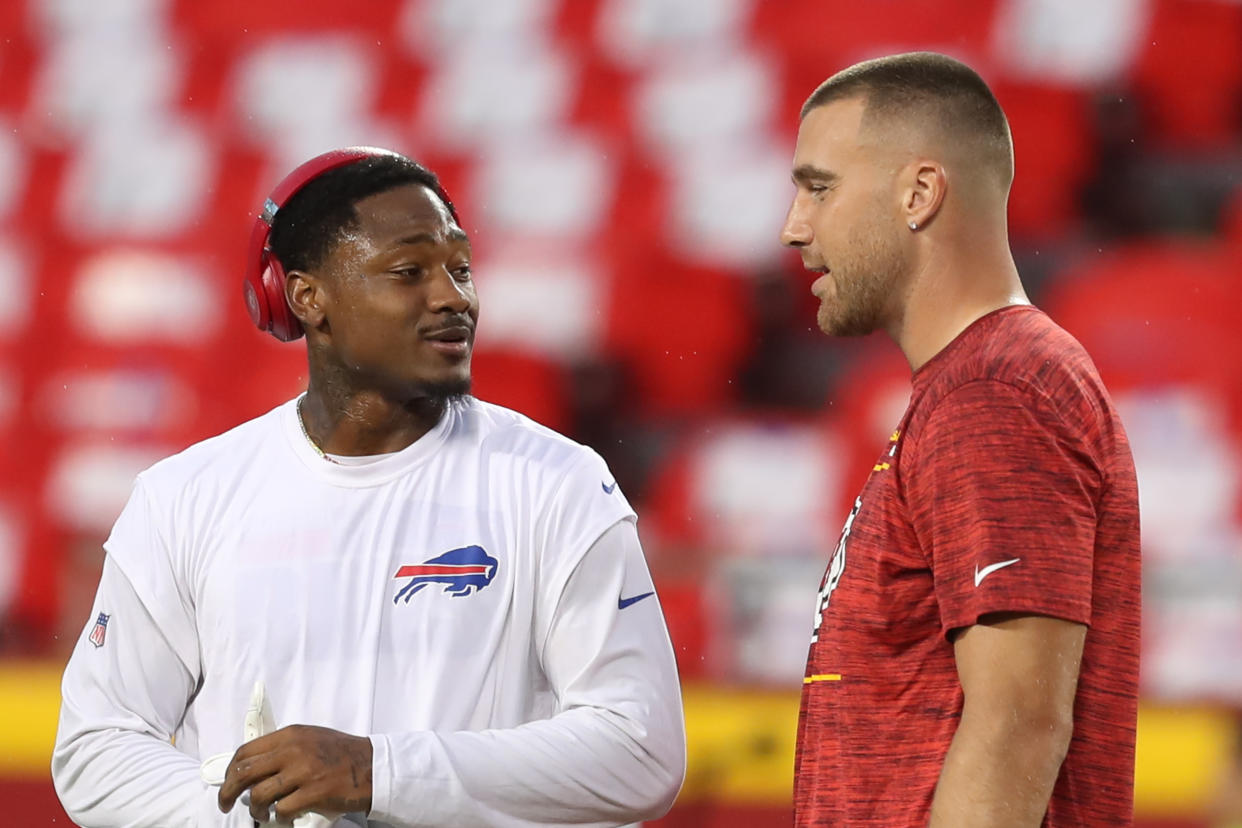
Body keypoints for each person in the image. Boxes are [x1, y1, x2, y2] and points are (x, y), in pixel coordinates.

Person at [51, 147, 686, 827]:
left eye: (461, 268)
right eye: (410, 272)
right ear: (305, 297)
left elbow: (640, 749)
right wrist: (244, 817)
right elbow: (97, 746)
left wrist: (375, 771)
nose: (453, 297)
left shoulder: (558, 483)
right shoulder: (183, 498)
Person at [780, 53, 1140, 827]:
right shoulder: (975, 386)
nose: (793, 228)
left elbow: (1017, 725)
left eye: (819, 188)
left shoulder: (995, 391)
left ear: (919, 193)